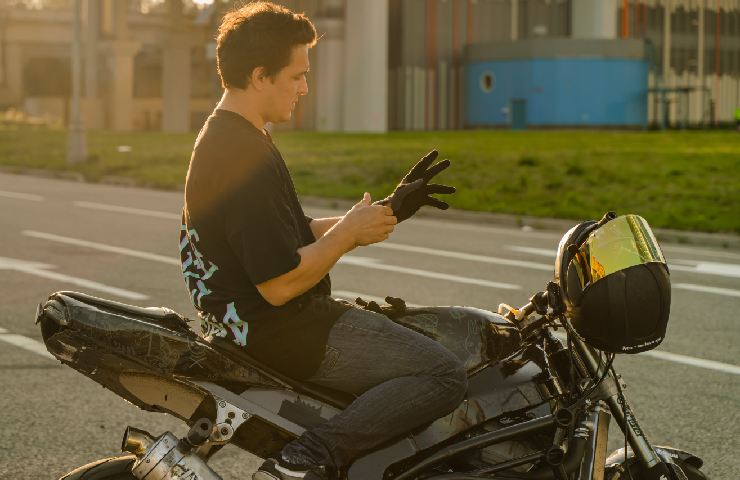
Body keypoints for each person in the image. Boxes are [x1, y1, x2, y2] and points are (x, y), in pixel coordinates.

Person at [179, 3, 465, 479]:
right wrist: (350, 235)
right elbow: (279, 283)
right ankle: (306, 459)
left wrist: (386, 211)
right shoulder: (239, 153)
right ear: (259, 76)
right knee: (444, 373)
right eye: (296, 76)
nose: (305, 88)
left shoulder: (236, 136)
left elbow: (292, 234)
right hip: (282, 330)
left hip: (247, 326)